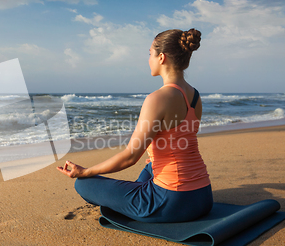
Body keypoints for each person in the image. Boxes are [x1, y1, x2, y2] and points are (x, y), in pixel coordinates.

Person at [57, 28, 213, 223]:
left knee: (83, 184)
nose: (149, 59)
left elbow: (129, 157)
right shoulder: (195, 96)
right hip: (203, 197)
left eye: (150, 54)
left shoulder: (157, 98)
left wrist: (85, 171)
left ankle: (138, 201)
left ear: (162, 57)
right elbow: (178, 141)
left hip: (173, 202)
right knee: (149, 168)